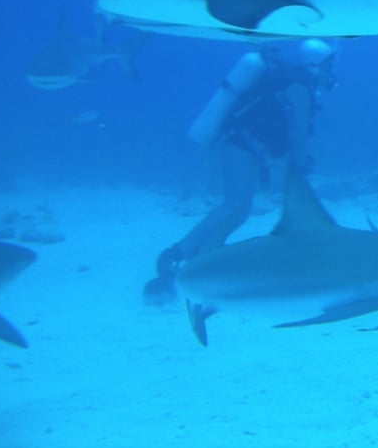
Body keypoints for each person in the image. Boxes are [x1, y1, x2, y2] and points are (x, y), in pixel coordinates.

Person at [143, 38, 337, 304]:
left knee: (238, 209)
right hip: (244, 147)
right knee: (234, 208)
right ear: (315, 65)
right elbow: (298, 135)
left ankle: (198, 259)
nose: (333, 69)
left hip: (243, 145)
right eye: (330, 63)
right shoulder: (299, 87)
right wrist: (301, 164)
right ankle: (176, 257)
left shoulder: (289, 80)